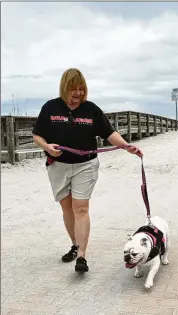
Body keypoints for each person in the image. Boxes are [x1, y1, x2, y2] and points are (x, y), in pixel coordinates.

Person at [32, 68, 142, 272]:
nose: (78, 94)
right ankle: (75, 245)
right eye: (74, 89)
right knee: (67, 208)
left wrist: (127, 146)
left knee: (80, 208)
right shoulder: (50, 107)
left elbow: (109, 133)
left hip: (85, 164)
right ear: (65, 88)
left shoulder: (91, 109)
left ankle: (82, 255)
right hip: (58, 166)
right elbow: (37, 135)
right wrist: (46, 147)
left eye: (81, 89)